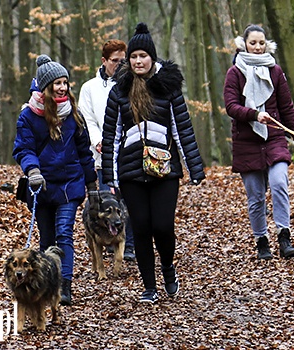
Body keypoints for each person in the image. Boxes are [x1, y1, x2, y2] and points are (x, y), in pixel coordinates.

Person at [101, 23, 205, 304]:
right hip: (131, 172)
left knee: (162, 226)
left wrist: (195, 168)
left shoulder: (168, 88)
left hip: (164, 170)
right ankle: (149, 286)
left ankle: (168, 268)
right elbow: (111, 134)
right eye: (133, 56)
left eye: (142, 56)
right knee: (142, 227)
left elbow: (182, 128)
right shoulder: (119, 91)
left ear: (152, 58)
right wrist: (109, 175)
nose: (137, 61)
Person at [13, 54, 98, 306]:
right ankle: (48, 282)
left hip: (70, 184)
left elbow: (84, 152)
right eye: (57, 84)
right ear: (45, 87)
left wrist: (91, 184)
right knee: (47, 239)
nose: (62, 88)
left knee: (64, 235)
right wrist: (33, 171)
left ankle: (64, 285)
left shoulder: (74, 114)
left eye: (65, 82)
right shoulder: (28, 116)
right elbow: (23, 149)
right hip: (41, 186)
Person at [223, 24, 294, 260]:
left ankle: (284, 236)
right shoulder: (235, 73)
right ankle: (261, 241)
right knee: (256, 196)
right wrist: (253, 114)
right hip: (246, 141)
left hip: (274, 137)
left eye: (261, 43)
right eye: (253, 43)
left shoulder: (275, 70)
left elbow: (286, 106)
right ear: (244, 44)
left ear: (266, 44)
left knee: (279, 183)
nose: (258, 47)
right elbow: (231, 107)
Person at [78, 39, 137, 262]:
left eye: (124, 61)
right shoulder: (89, 88)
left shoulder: (133, 84)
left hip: (129, 153)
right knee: (107, 201)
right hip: (102, 155)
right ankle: (107, 242)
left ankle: (129, 244)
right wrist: (97, 141)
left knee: (129, 201)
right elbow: (87, 119)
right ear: (104, 61)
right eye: (115, 61)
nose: (120, 65)